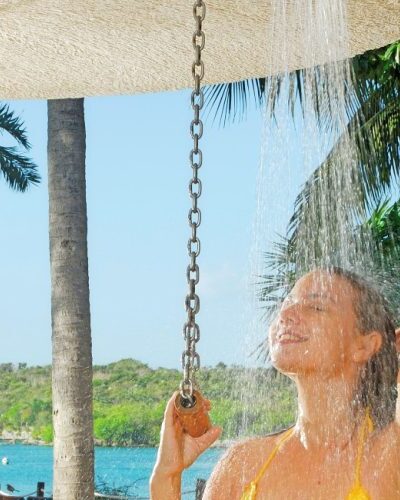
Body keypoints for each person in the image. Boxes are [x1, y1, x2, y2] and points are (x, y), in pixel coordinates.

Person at [150, 268, 400, 499]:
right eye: (287, 303)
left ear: (364, 345)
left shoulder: (389, 456)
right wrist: (167, 475)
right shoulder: (241, 466)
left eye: (316, 307)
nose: (285, 315)